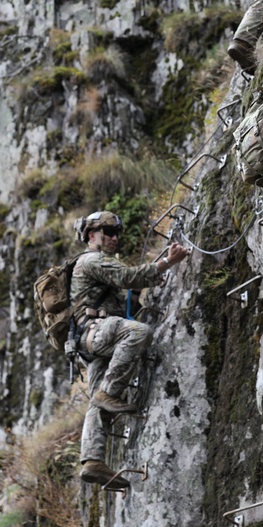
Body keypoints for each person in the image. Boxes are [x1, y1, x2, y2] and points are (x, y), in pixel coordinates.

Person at [70, 210, 190, 490]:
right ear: (91, 236)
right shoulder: (92, 260)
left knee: (96, 404)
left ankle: (92, 460)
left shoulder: (95, 263)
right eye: (107, 233)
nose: (114, 238)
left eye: (116, 234)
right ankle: (110, 392)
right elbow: (128, 277)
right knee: (139, 333)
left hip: (92, 339)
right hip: (97, 331)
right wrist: (166, 263)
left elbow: (128, 292)